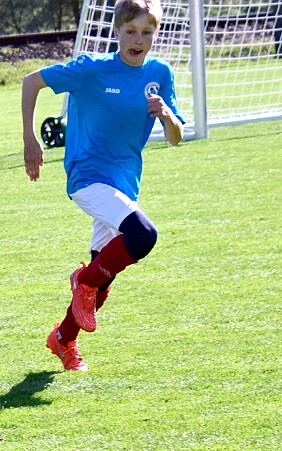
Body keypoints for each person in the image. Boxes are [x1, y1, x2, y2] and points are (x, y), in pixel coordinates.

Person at [22, 0, 183, 371]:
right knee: (143, 235)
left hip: (125, 182)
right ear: (117, 31)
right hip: (87, 176)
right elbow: (31, 82)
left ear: (156, 34)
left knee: (103, 279)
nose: (138, 40)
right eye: (131, 31)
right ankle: (83, 281)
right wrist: (31, 139)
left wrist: (166, 115)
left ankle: (63, 338)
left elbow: (175, 137)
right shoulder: (91, 69)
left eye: (146, 32)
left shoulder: (160, 73)